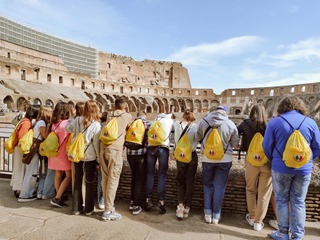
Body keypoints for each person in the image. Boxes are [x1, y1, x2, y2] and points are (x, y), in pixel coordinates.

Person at [262, 96, 320, 240]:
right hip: (304, 169)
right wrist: (305, 161)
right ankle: (297, 235)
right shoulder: (310, 122)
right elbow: (317, 147)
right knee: (299, 201)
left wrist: (276, 160)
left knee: (281, 200)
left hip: (280, 168)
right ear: (301, 106)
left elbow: (266, 147)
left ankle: (282, 233)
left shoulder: (274, 122)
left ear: (282, 107)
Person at [195, 105, 239, 224]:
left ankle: (207, 213)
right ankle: (216, 215)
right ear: (225, 112)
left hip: (207, 158)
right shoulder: (230, 123)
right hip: (225, 159)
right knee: (219, 188)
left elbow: (197, 137)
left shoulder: (203, 121)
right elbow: (235, 143)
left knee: (207, 186)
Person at [237, 104, 272, 231]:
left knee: (250, 189)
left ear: (251, 112)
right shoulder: (269, 125)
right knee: (264, 194)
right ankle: (258, 222)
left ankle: (251, 216)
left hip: (251, 160)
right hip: (266, 162)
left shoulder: (245, 124)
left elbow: (235, 132)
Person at [66, 100, 101, 215]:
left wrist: (71, 116)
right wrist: (98, 157)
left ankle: (76, 208)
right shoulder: (96, 124)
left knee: (77, 181)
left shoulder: (76, 120)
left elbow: (67, 129)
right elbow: (96, 143)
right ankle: (89, 209)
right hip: (89, 156)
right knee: (89, 182)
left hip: (77, 155)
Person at [100, 97, 132, 221]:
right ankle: (107, 211)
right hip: (115, 150)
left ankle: (108, 206)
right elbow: (129, 128)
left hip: (104, 147)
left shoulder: (109, 115)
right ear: (125, 106)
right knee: (113, 179)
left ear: (114, 106)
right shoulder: (127, 116)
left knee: (105, 179)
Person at [18, 106, 54, 202]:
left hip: (33, 148)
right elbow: (45, 135)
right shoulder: (42, 123)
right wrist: (50, 125)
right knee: (32, 172)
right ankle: (25, 195)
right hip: (35, 149)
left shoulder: (37, 122)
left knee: (32, 171)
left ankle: (27, 192)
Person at [145, 113, 174, 214]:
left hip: (151, 148)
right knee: (162, 175)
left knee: (150, 173)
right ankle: (161, 201)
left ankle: (148, 199)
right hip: (163, 148)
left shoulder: (155, 120)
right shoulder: (170, 121)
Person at [174, 110, 198, 219]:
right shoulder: (196, 127)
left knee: (180, 181)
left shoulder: (176, 125)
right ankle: (187, 208)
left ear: (183, 116)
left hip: (180, 156)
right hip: (191, 155)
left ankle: (180, 207)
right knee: (190, 182)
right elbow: (198, 139)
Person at [10, 105, 38, 198]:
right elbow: (22, 137)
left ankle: (16, 188)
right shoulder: (26, 123)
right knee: (20, 169)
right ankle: (19, 190)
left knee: (18, 168)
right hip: (20, 148)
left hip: (18, 147)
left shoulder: (24, 120)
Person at [126, 110, 151, 215]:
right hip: (141, 154)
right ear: (145, 116)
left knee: (134, 177)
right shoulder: (147, 123)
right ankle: (136, 205)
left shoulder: (130, 124)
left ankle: (132, 202)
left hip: (129, 154)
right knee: (139, 180)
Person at [48, 102, 71, 208]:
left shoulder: (54, 123)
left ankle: (58, 195)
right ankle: (57, 198)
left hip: (54, 152)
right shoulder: (67, 123)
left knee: (58, 174)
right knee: (69, 175)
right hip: (63, 152)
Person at [97, 111, 108, 209]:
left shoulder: (98, 126)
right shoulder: (107, 128)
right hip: (105, 155)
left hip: (98, 156)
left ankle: (99, 199)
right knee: (106, 179)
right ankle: (103, 200)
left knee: (100, 179)